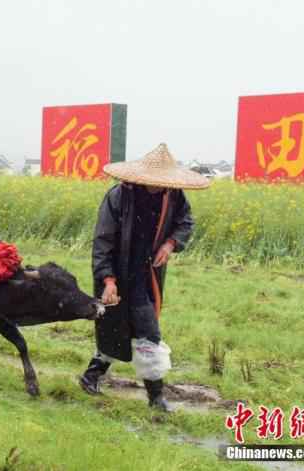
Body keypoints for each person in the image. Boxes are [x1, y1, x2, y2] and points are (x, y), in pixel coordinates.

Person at [79, 143, 210, 412]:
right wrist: (108, 280)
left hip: (146, 275)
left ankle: (155, 396)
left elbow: (185, 222)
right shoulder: (118, 196)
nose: (159, 186)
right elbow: (102, 241)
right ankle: (91, 376)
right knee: (113, 327)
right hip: (116, 271)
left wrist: (171, 243)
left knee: (148, 330)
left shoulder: (174, 197)